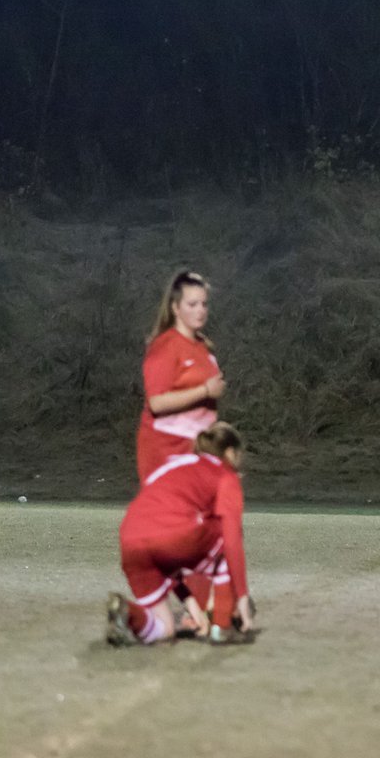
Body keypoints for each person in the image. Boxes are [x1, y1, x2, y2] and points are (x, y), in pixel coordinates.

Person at [107, 422, 255, 646]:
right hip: (170, 537)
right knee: (226, 537)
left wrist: (191, 605)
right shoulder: (225, 474)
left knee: (164, 629)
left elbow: (167, 558)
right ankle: (222, 626)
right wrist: (242, 595)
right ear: (230, 452)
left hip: (130, 537)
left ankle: (128, 614)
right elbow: (232, 538)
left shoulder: (174, 464)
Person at [136, 270, 226, 483]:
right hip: (166, 452)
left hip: (196, 451)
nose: (200, 311)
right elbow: (157, 403)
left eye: (204, 304)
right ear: (175, 308)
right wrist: (204, 390)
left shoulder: (204, 347)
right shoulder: (165, 346)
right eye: (192, 304)